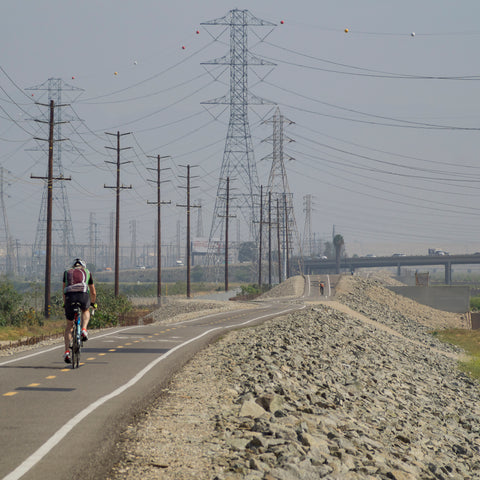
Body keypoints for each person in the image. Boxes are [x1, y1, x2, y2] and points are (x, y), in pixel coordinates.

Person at [62, 259, 96, 364]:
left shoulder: (67, 272)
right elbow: (93, 292)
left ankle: (67, 351)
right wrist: (93, 303)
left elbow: (64, 290)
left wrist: (65, 303)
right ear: (83, 266)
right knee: (86, 310)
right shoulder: (87, 272)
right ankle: (84, 329)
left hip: (69, 297)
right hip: (83, 295)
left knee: (69, 326)